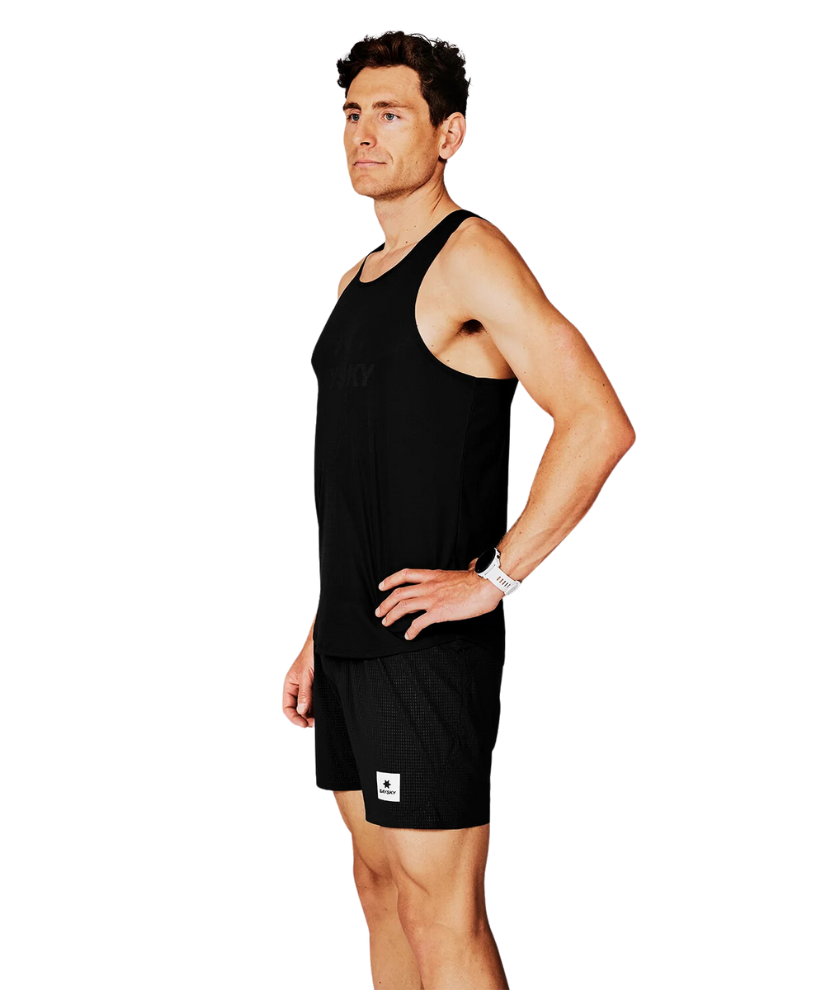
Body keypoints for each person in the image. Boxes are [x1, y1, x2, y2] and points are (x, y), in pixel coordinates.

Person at [283, 30, 635, 990]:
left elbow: (598, 422)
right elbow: (361, 477)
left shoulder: (471, 256)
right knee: (379, 888)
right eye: (352, 114)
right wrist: (320, 630)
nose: (364, 133)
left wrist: (495, 579)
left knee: (440, 909)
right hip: (353, 638)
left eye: (391, 114)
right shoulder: (355, 282)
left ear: (449, 135)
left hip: (426, 650)